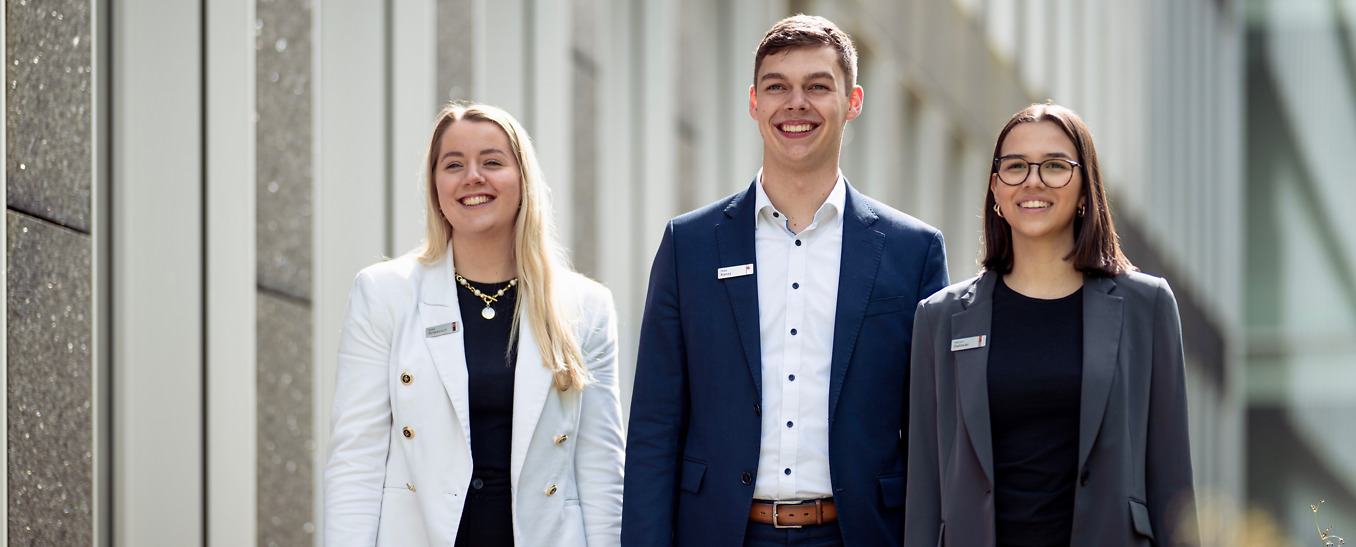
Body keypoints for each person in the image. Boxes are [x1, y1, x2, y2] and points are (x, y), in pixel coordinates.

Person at [622, 15, 949, 547]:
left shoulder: (914, 252)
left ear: (854, 101)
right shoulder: (691, 246)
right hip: (721, 533)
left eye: (818, 86)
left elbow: (932, 438)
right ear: (754, 103)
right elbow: (655, 425)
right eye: (777, 87)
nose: (796, 103)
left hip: (861, 533)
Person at [324, 102, 624, 546]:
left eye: (492, 162)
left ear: (523, 180)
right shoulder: (384, 294)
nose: (472, 177)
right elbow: (355, 460)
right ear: (435, 187)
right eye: (453, 165)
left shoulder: (585, 307)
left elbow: (602, 469)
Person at [904, 103, 1197, 546]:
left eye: (1055, 166)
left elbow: (1173, 485)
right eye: (1015, 166)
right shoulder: (940, 318)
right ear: (996, 191)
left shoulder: (1147, 305)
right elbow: (925, 491)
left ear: (1085, 191)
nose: (1033, 180)